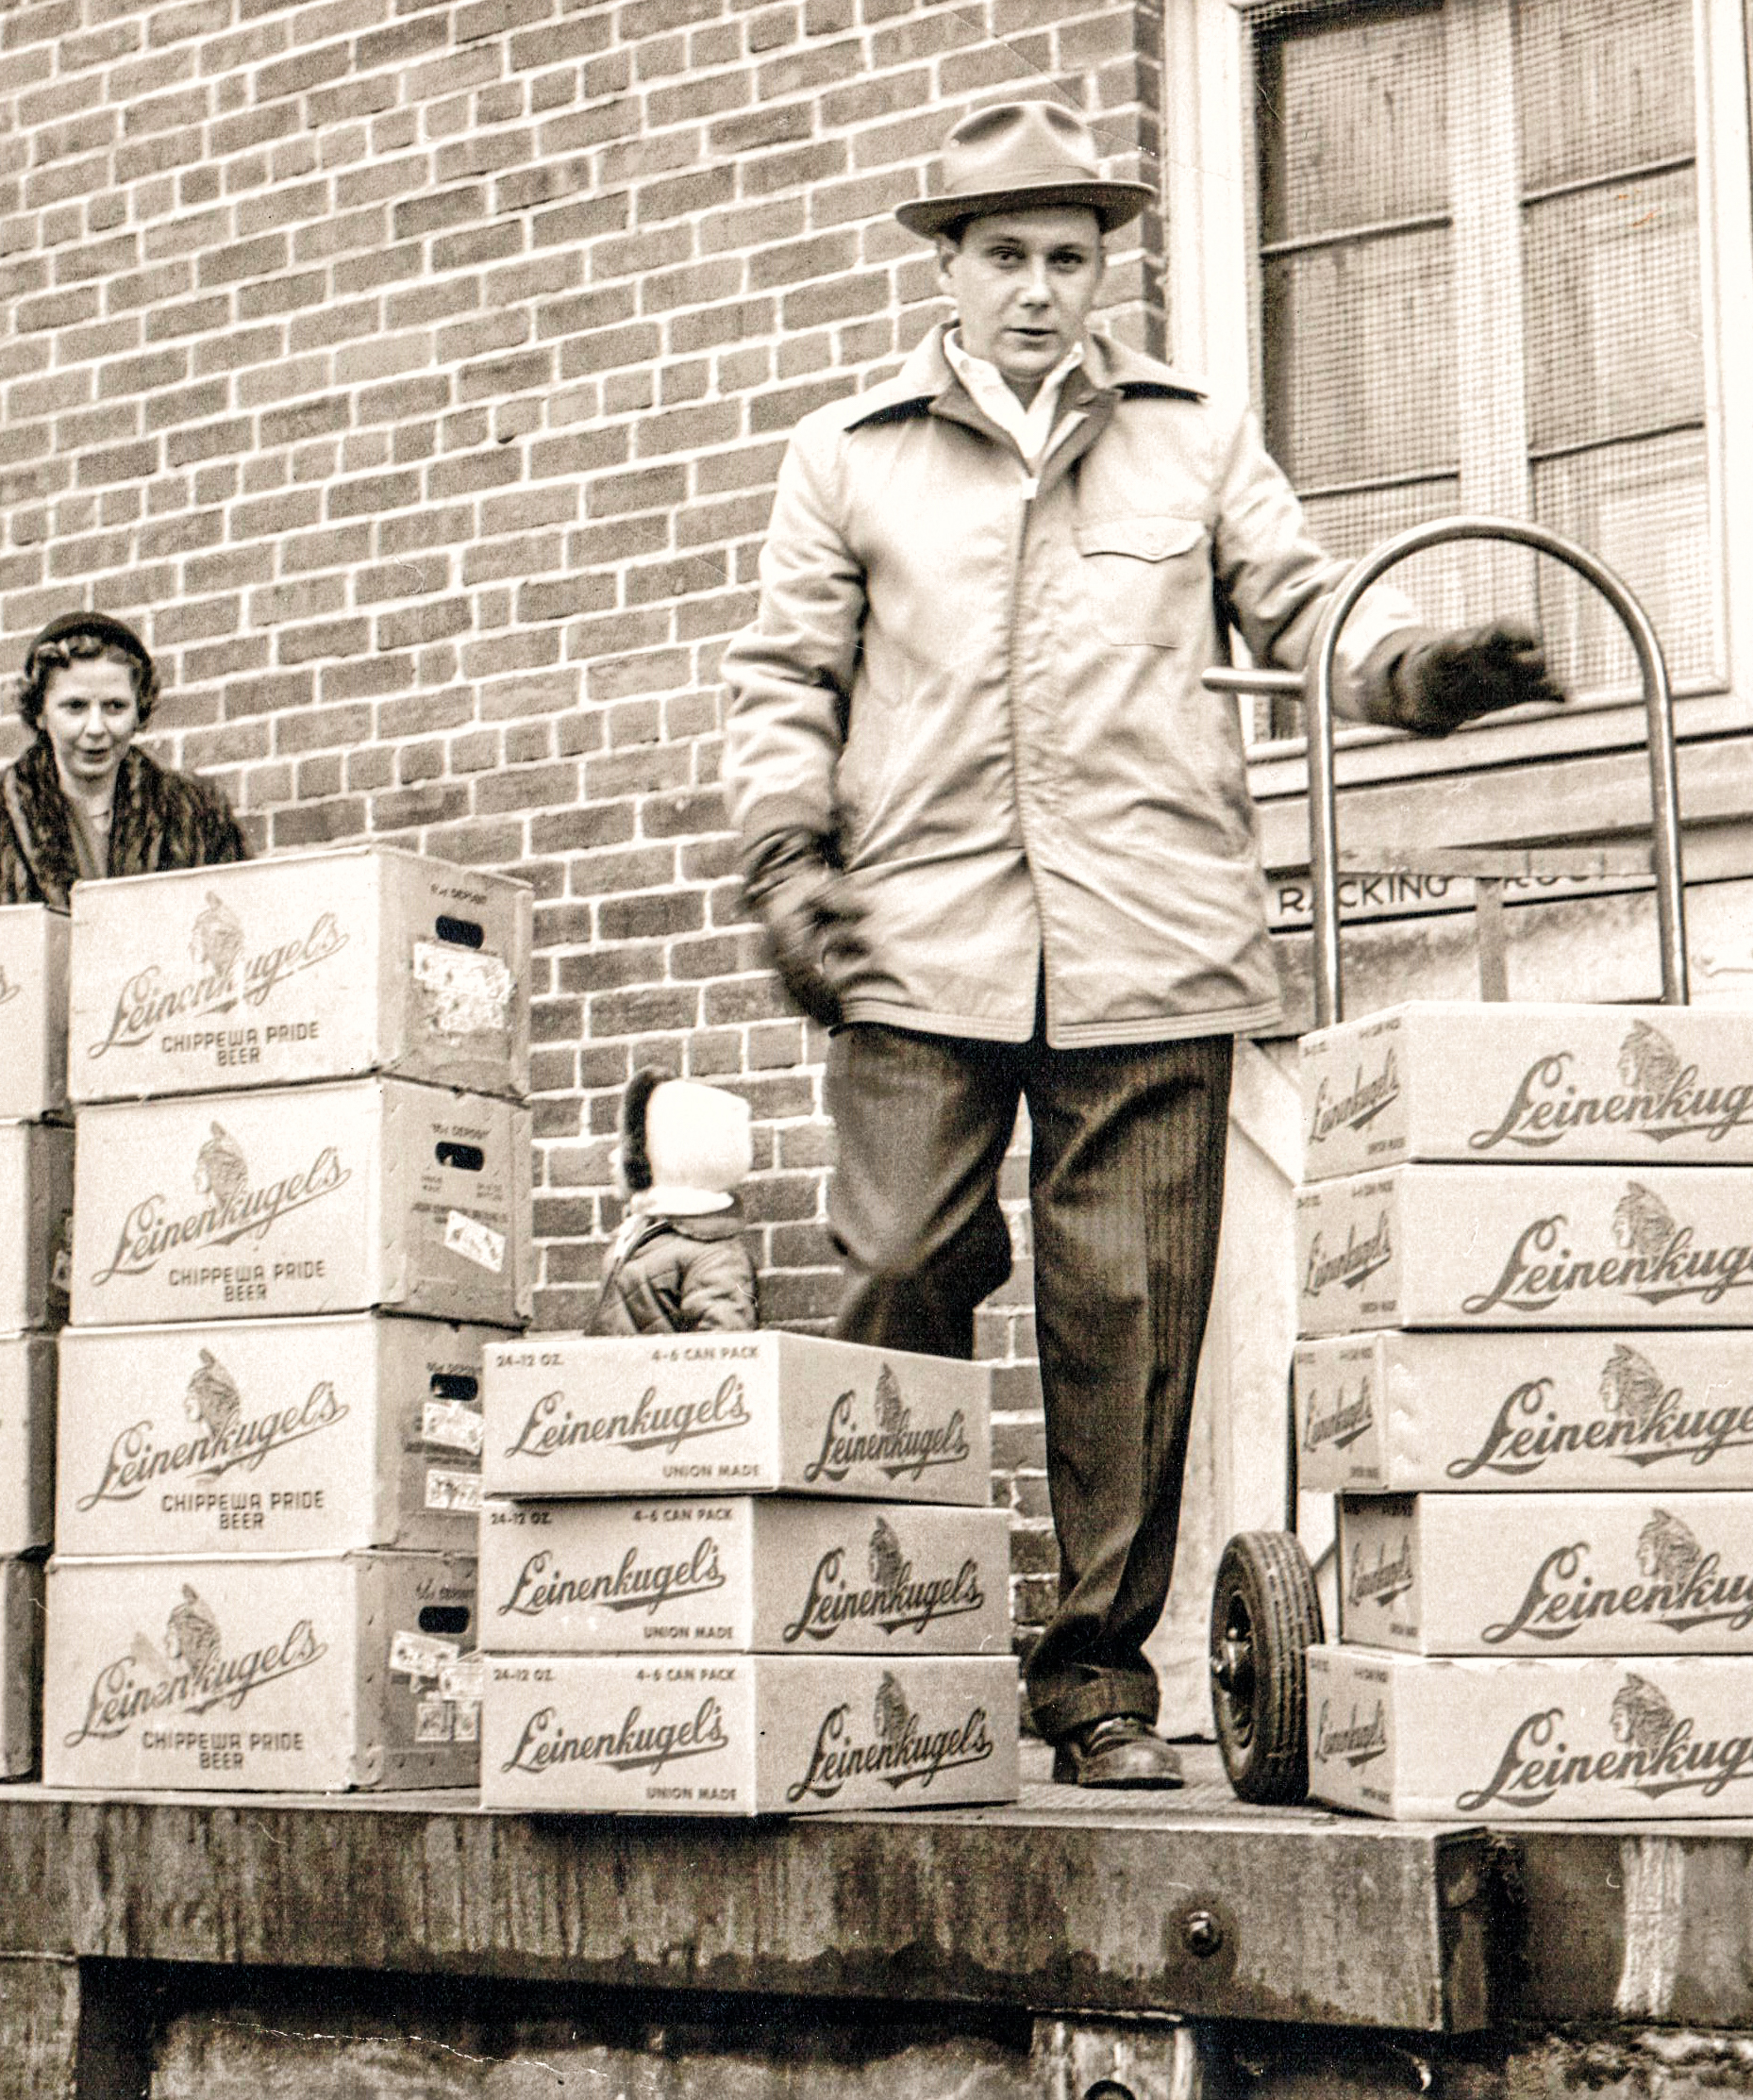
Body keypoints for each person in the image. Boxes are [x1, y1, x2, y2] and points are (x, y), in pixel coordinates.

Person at [720, 100, 1562, 1788]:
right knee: (894, 1267)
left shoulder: (1188, 436)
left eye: (1068, 257)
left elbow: (1306, 600)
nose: (1039, 289)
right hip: (915, 934)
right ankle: (890, 1646)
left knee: (1131, 1312)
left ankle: (1091, 1681)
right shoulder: (847, 455)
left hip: (1151, 936)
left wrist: (1415, 670)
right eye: (1004, 257)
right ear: (944, 269)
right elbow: (783, 680)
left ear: (1101, 270)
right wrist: (784, 860)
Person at [0, 609, 247, 908]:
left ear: (138, 711)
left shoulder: (196, 814)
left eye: (115, 706)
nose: (96, 728)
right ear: (41, 713)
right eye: (75, 707)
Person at [588, 1070, 760, 1335]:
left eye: (630, 1145)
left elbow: (724, 1349)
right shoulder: (640, 1234)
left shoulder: (717, 1256)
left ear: (667, 1156)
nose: (613, 1156)